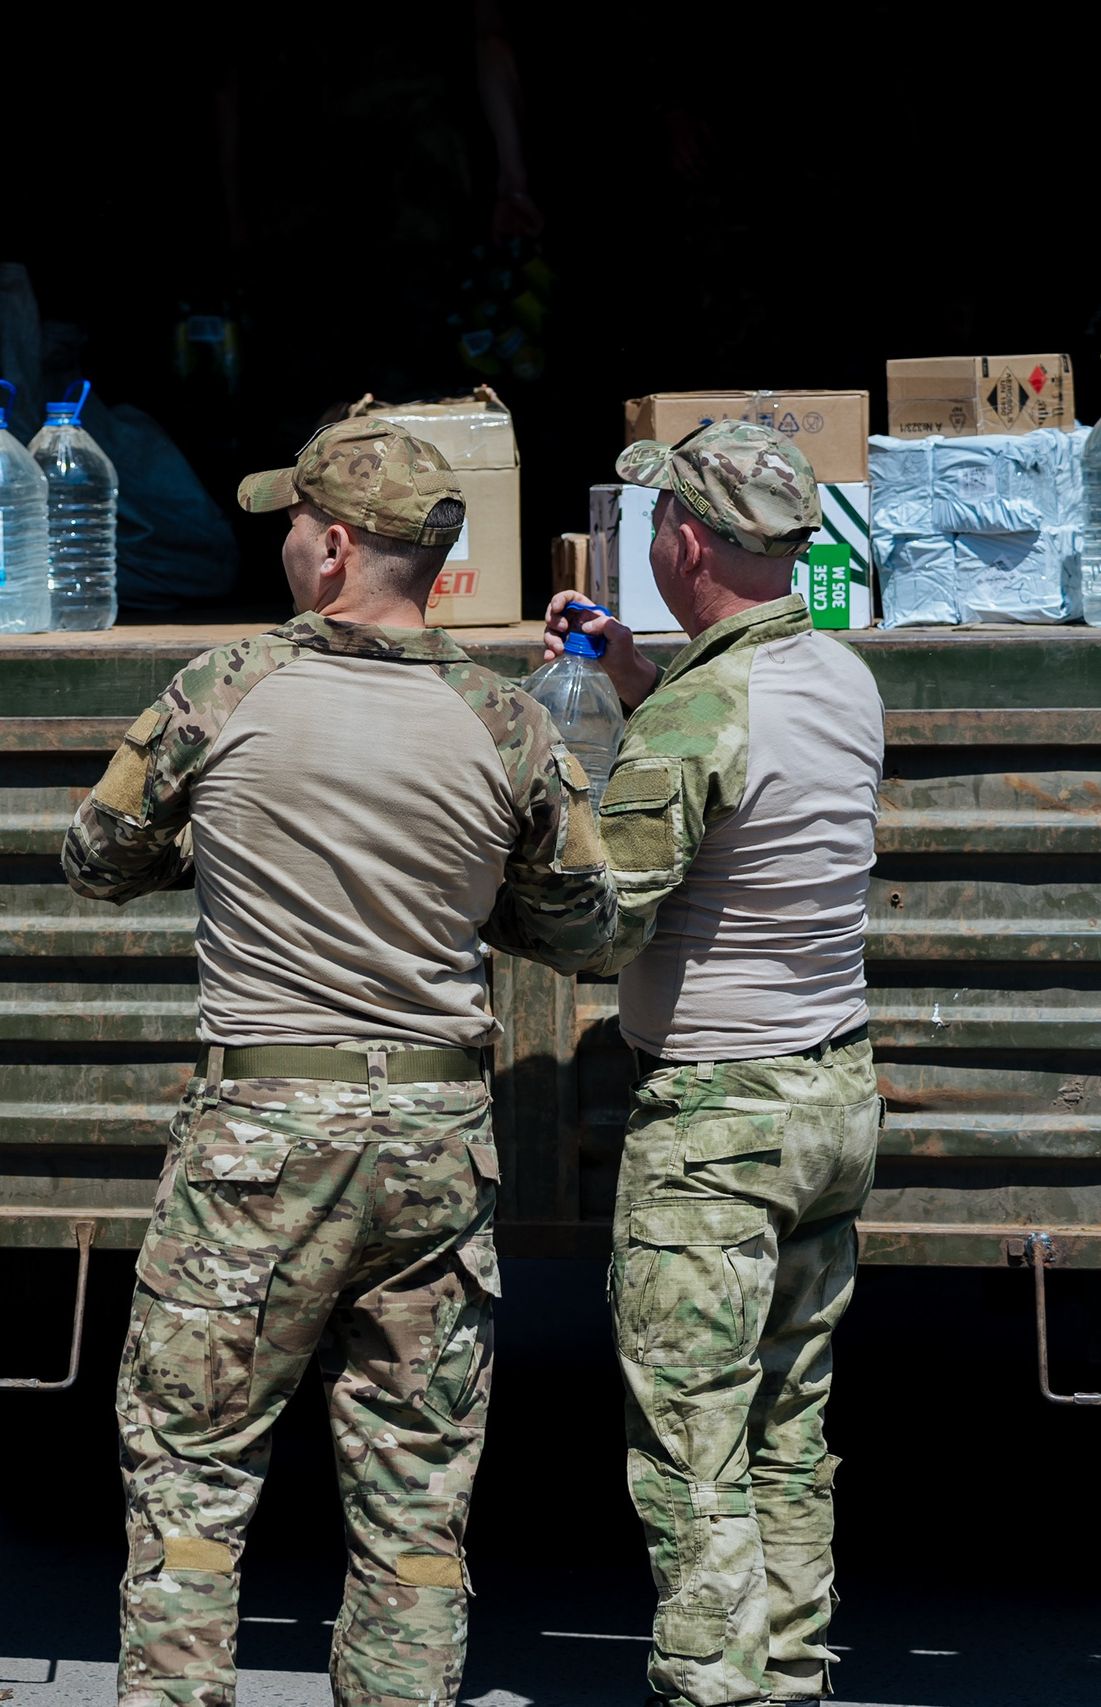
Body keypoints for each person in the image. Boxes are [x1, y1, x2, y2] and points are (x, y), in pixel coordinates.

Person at [64, 417, 618, 1707]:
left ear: (330, 546)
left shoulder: (224, 687)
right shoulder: (506, 720)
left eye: (290, 523)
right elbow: (584, 927)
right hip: (434, 1145)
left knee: (195, 1479)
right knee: (416, 1508)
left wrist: (218, 848)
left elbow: (94, 861)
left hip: (259, 1143)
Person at [544, 420, 882, 1707]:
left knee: (691, 1446)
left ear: (681, 538)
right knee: (789, 1429)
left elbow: (599, 924)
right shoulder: (838, 677)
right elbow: (759, 809)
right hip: (830, 1096)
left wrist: (549, 785)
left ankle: (719, 1690)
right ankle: (786, 1671)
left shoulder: (699, 712)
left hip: (718, 1122)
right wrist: (636, 688)